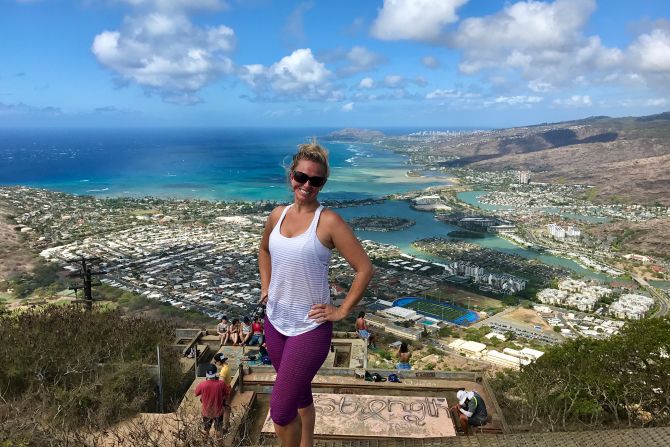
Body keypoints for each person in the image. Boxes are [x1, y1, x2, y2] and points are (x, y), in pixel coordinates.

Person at [258, 140, 374, 447]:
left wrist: (342, 310)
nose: (307, 184)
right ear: (291, 176)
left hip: (309, 328)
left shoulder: (329, 221)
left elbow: (364, 268)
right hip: (275, 322)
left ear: (322, 184)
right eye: (301, 177)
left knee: (281, 412)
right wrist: (266, 286)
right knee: (299, 397)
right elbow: (263, 250)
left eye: (315, 180)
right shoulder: (277, 215)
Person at [194, 364, 231, 439]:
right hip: (218, 411)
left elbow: (195, 394)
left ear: (206, 373)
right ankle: (220, 444)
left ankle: (204, 443)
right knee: (218, 429)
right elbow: (227, 393)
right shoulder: (221, 384)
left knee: (206, 429)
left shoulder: (202, 384)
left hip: (206, 411)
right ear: (216, 373)